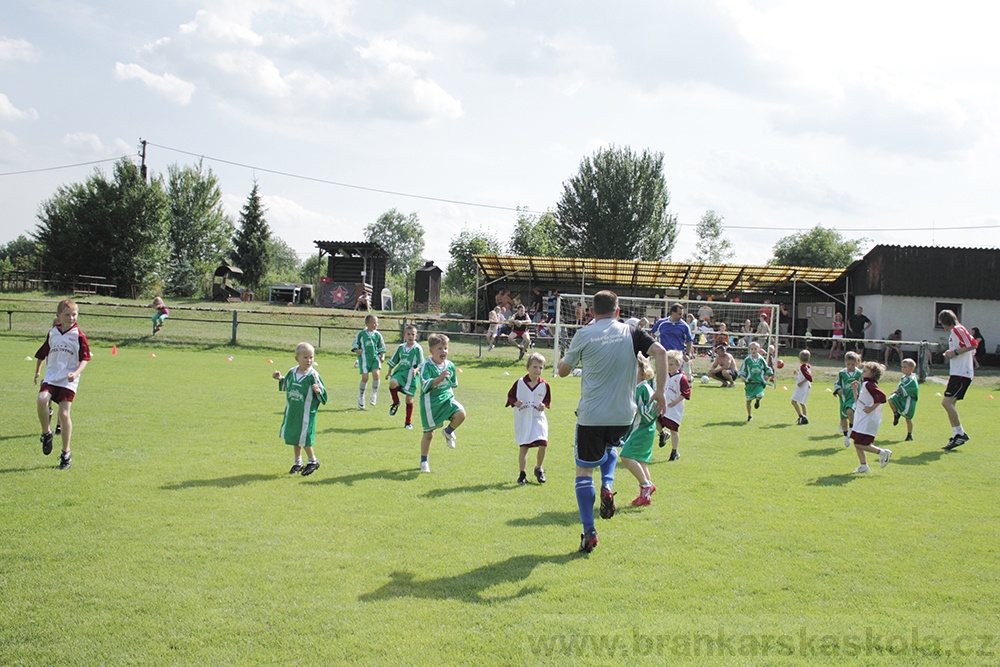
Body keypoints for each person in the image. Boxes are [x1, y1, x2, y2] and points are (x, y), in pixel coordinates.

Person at [557, 290, 666, 554]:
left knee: (583, 470)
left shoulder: (584, 334)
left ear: (592, 313)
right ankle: (607, 484)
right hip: (623, 415)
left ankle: (589, 530)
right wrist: (660, 392)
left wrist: (571, 356)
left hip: (592, 415)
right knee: (610, 449)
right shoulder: (631, 333)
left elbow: (562, 372)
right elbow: (661, 352)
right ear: (618, 311)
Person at [622, 351, 687, 506]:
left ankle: (646, 486)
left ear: (642, 369)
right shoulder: (633, 386)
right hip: (636, 429)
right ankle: (645, 495)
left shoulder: (645, 388)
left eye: (634, 366)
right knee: (641, 462)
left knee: (626, 456)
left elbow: (654, 410)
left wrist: (637, 409)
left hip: (643, 430)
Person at [34, 299, 90, 470]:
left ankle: (66, 453)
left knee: (64, 415)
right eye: (67, 315)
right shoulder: (53, 333)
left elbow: (85, 359)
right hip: (51, 376)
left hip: (68, 379)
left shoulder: (79, 336)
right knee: (42, 400)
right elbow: (42, 353)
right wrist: (37, 372)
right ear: (58, 316)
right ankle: (46, 433)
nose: (71, 318)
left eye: (74, 314)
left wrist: (76, 373)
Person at [273, 342, 327, 476]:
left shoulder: (312, 375)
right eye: (305, 357)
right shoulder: (292, 372)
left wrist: (317, 391)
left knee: (304, 437)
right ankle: (298, 462)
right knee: (295, 436)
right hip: (293, 410)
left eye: (311, 357)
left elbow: (323, 394)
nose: (309, 360)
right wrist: (280, 378)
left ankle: (313, 461)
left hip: (306, 412)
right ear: (297, 358)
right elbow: (288, 384)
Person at [418, 333, 466, 472]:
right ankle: (424, 461)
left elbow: (453, 384)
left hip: (446, 398)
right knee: (429, 434)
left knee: (461, 414)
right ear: (431, 351)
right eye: (439, 348)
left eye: (445, 348)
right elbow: (426, 386)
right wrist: (439, 378)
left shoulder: (450, 365)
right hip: (430, 403)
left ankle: (448, 431)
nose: (443, 351)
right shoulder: (426, 366)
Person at [651, 303, 694, 453]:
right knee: (661, 388)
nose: (682, 316)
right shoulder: (661, 323)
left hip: (676, 361)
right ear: (673, 313)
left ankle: (674, 411)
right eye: (680, 313)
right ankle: (663, 432)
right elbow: (652, 334)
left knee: (675, 388)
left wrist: (687, 354)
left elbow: (689, 340)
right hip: (662, 361)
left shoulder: (684, 326)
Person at [505, 352, 551, 484]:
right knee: (524, 447)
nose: (538, 370)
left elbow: (547, 400)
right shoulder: (520, 383)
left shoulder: (544, 385)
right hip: (524, 418)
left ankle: (539, 468)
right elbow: (510, 396)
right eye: (535, 367)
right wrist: (515, 402)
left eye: (540, 368)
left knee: (543, 443)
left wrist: (544, 405)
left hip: (537, 418)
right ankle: (522, 473)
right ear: (528, 368)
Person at [939, 309, 975, 451]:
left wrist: (954, 352)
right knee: (949, 403)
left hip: (962, 373)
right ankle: (957, 434)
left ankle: (960, 433)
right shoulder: (956, 331)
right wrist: (951, 353)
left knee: (946, 402)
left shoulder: (958, 329)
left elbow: (972, 345)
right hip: (957, 372)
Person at [848, 361, 891, 473]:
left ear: (872, 374)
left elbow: (882, 396)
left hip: (868, 420)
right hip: (861, 418)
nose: (862, 372)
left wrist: (871, 408)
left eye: (865, 371)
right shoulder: (866, 384)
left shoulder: (869, 384)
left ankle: (883, 452)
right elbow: (860, 401)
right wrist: (854, 390)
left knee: (859, 443)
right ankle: (863, 466)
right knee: (856, 442)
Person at [388, 324, 425, 430]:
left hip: (412, 375)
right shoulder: (401, 347)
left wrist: (416, 370)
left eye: (412, 334)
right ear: (404, 335)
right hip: (400, 372)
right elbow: (394, 360)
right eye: (408, 334)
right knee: (392, 382)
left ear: (416, 336)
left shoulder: (418, 348)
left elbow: (422, 363)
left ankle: (408, 422)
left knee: (409, 399)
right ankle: (395, 402)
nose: (410, 336)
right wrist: (389, 372)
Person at [352, 314, 386, 410]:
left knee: (376, 374)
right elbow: (355, 344)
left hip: (375, 357)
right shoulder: (361, 334)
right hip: (364, 358)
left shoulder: (378, 335)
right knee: (365, 377)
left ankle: (374, 393)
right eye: (374, 323)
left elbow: (381, 346)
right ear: (367, 324)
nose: (376, 325)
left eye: (377, 323)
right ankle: (361, 396)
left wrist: (382, 355)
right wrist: (356, 350)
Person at [834, 351, 863, 447]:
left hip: (854, 397)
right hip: (844, 398)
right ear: (845, 363)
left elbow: (863, 385)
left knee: (850, 411)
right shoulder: (842, 373)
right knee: (843, 417)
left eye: (853, 364)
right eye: (848, 364)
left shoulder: (859, 374)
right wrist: (838, 390)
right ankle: (846, 436)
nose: (850, 366)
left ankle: (851, 427)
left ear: (857, 363)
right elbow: (837, 383)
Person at [739, 341, 773, 422]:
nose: (753, 350)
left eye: (755, 349)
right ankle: (749, 415)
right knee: (748, 400)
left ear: (758, 350)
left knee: (760, 395)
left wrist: (767, 375)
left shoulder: (761, 359)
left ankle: (757, 401)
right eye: (752, 349)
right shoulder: (747, 360)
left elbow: (767, 368)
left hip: (759, 382)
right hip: (750, 382)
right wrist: (742, 376)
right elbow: (742, 369)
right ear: (749, 350)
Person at [888, 357, 919, 442]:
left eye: (905, 367)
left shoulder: (912, 379)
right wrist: (895, 391)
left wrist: (898, 390)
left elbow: (909, 388)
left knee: (908, 418)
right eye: (902, 367)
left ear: (911, 368)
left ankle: (909, 435)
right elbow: (900, 385)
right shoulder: (903, 377)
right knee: (891, 399)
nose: (903, 369)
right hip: (901, 397)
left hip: (908, 400)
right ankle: (896, 414)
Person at [791, 349, 813, 425]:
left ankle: (801, 416)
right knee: (802, 403)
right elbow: (804, 375)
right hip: (806, 387)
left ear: (800, 359)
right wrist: (798, 373)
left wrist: (801, 382)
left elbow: (809, 377)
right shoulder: (807, 366)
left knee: (793, 401)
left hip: (803, 387)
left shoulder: (803, 368)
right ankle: (804, 418)